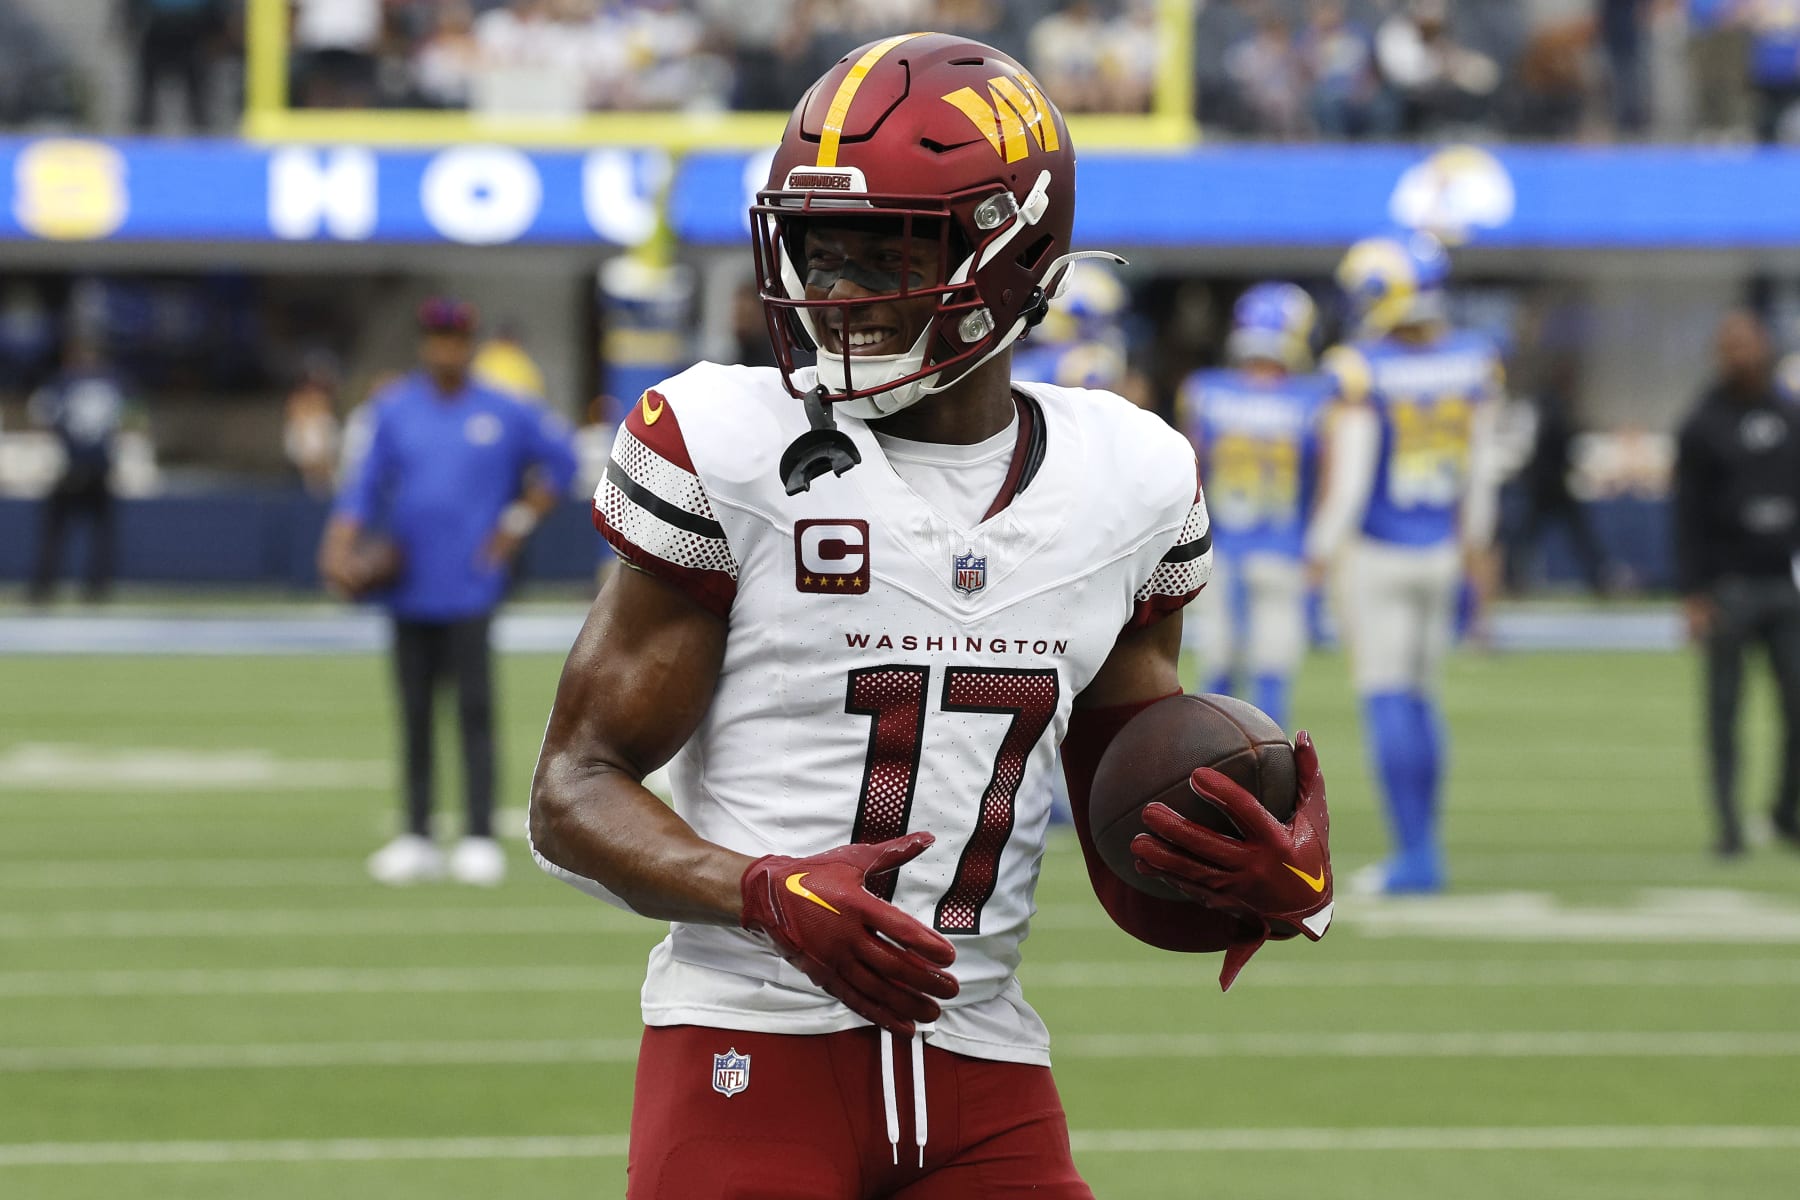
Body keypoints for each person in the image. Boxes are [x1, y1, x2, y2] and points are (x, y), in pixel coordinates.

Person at [527, 34, 1335, 1199]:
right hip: (747, 1045)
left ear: (1018, 254)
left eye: (880, 252)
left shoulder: (1133, 478)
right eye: (815, 249)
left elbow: (1130, 815)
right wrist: (764, 890)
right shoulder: (730, 444)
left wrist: (1245, 868)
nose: (831, 292)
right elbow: (572, 791)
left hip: (984, 1062)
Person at [320, 298, 578, 887]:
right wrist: (339, 543)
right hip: (408, 583)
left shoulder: (505, 410)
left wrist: (513, 527)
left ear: (470, 343)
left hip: (470, 584)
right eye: (436, 338)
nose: (446, 349)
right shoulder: (393, 410)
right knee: (413, 713)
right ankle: (415, 832)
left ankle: (479, 834)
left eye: (456, 338)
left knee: (475, 712)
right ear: (424, 343)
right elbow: (362, 487)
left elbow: (561, 463)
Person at [1306, 231, 1503, 895]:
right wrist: (1476, 555)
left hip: (1376, 552)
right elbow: (1482, 477)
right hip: (1442, 551)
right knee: (1423, 699)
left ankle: (1413, 853)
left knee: (1386, 698)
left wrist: (1318, 554)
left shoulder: (1361, 367)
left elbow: (1352, 481)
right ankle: (1427, 848)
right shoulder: (1475, 361)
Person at [1673, 309, 1800, 856]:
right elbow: (1685, 514)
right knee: (1724, 713)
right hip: (1729, 586)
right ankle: (1727, 826)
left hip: (1786, 584)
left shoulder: (1790, 415)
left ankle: (1784, 811)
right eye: (1730, 347)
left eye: (1748, 345)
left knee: (1796, 707)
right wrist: (1694, 593)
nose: (1740, 355)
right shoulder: (1702, 423)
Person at [1178, 283, 1332, 730]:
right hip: (1285, 549)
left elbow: (1190, 469)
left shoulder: (1206, 390)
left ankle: (1213, 770)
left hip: (1217, 548)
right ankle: (1266, 776)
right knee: (1271, 671)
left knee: (1218, 668)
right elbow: (1325, 477)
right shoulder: (1313, 398)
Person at [27, 340, 132, 605]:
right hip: (91, 465)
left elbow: (42, 417)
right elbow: (133, 419)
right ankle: (93, 589)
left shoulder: (63, 382)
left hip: (77, 466)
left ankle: (49, 589)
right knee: (91, 531)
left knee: (67, 531)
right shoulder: (113, 382)